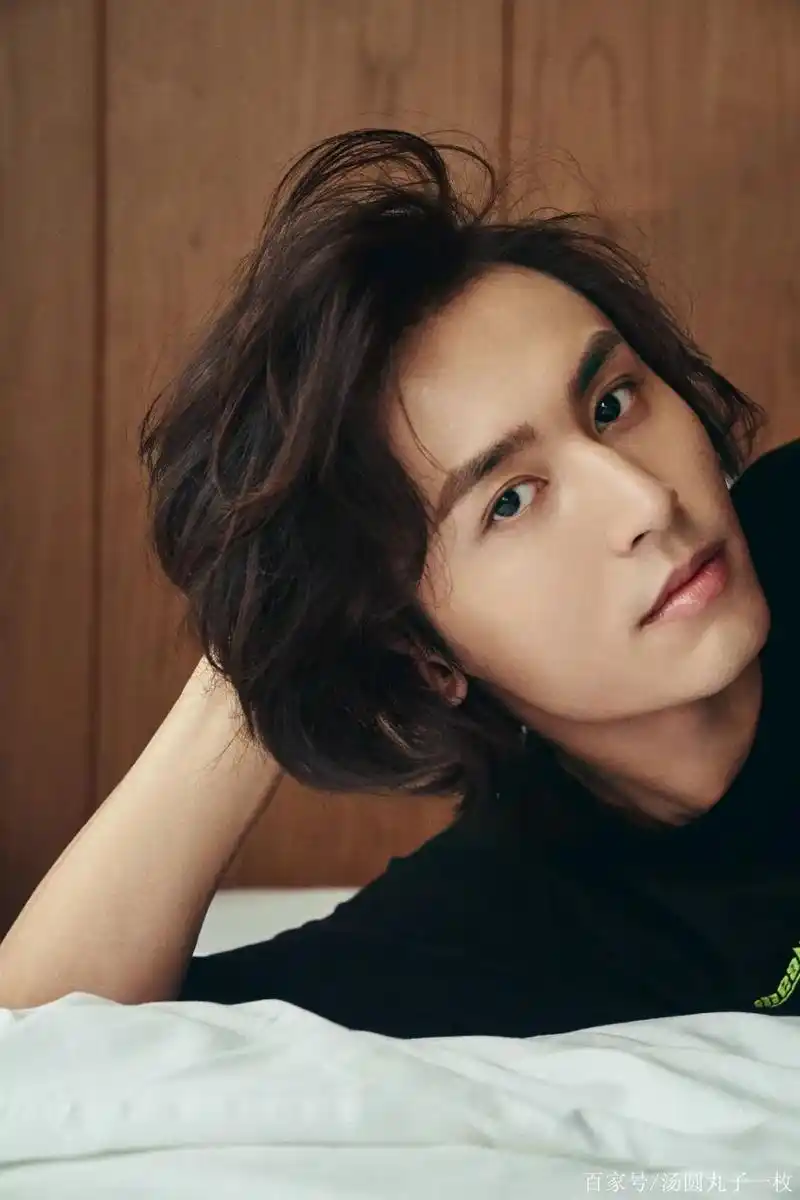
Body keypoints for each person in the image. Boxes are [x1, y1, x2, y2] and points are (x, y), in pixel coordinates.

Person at [1, 129, 798, 1038]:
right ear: (424, 654)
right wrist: (266, 641)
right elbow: (39, 1039)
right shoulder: (504, 913)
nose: (645, 500)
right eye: (510, 501)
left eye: (612, 404)